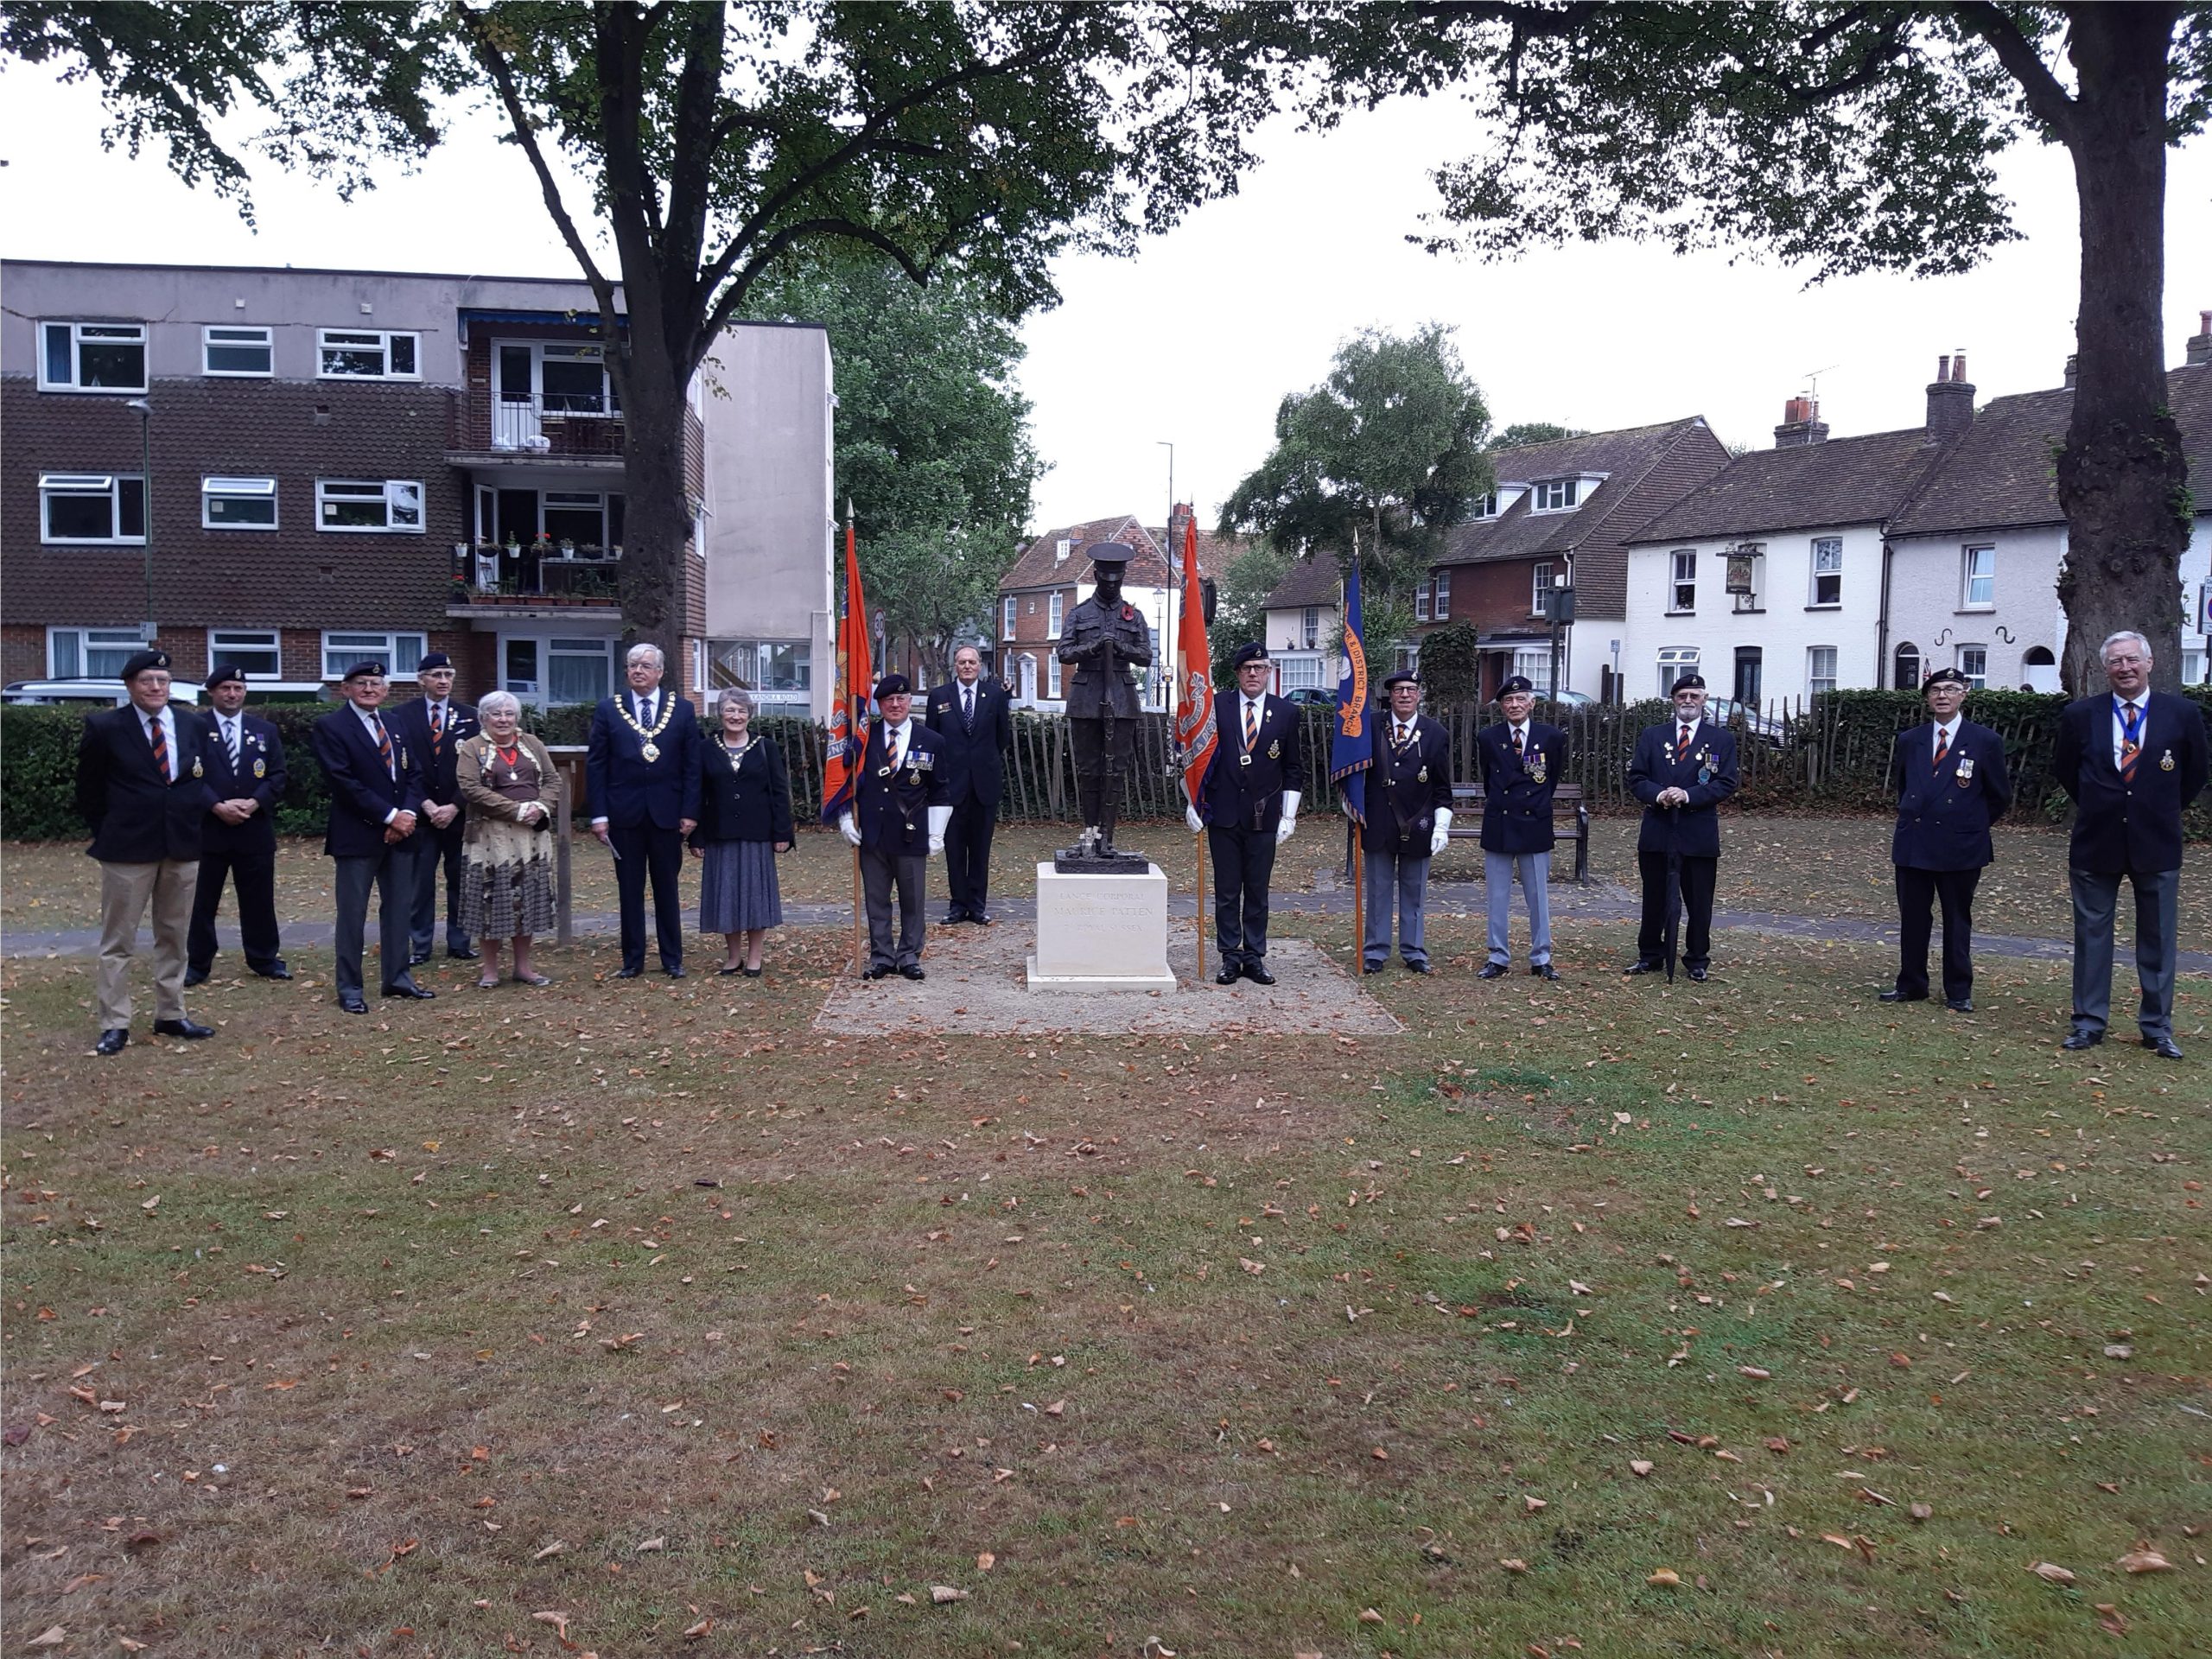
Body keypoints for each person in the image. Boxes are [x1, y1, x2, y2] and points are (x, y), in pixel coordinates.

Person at [2051, 630, 2209, 1058]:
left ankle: (2157, 1027)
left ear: (2150, 663)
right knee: (2092, 936)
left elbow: (2194, 774)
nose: (2125, 668)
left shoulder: (2182, 713)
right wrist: (2103, 805)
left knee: (2158, 938)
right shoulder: (2081, 715)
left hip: (2156, 842)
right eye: (2116, 662)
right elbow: (2067, 770)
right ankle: (2088, 1022)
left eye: (2132, 660)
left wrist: (2155, 809)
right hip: (2096, 842)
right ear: (2106, 669)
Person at [74, 647, 216, 1055]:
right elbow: (88, 791)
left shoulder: (192, 725)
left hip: (181, 846)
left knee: (174, 935)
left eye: (163, 681)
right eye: (147, 680)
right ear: (130, 685)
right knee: (118, 941)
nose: (156, 687)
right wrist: (110, 831)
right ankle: (115, 1022)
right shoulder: (105, 728)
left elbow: (193, 782)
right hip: (127, 850)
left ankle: (171, 1013)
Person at [1882, 666, 2014, 1013]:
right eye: (1936, 689)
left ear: (1964, 694)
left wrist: (1969, 825)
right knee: (1913, 917)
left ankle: (1958, 989)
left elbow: (1999, 795)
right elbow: (1905, 786)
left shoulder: (1985, 741)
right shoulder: (1911, 740)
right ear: (1927, 697)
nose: (1943, 695)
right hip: (1915, 843)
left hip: (1961, 846)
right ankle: (1911, 984)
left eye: (1951, 689)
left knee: (1957, 918)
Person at [310, 661, 429, 1013]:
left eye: (376, 683)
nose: (369, 689)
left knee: (398, 911)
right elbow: (343, 781)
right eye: (360, 683)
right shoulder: (330, 727)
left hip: (403, 834)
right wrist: (389, 816)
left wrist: (407, 814)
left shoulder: (394, 723)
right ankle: (350, 988)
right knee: (352, 914)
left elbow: (415, 775)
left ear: (386, 690)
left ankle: (398, 978)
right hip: (357, 834)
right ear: (345, 689)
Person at [1188, 642, 1303, 986]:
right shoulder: (1215, 706)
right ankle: (1229, 956)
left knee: (1257, 890)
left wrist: (1289, 815)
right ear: (1237, 673)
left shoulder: (1285, 712)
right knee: (1226, 891)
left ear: (1269, 672)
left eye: (1260, 668)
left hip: (1264, 816)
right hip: (1222, 813)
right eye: (1247, 669)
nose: (1254, 674)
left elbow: (1293, 767)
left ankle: (1254, 956)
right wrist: (1193, 802)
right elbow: (1197, 757)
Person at [587, 643, 701, 978]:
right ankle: (632, 960)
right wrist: (599, 815)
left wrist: (690, 810)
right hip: (624, 814)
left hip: (667, 813)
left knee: (667, 887)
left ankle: (672, 959)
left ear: (660, 672)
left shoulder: (681, 710)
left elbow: (691, 765)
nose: (638, 670)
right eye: (632, 665)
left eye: (645, 665)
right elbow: (597, 766)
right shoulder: (610, 709)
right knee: (629, 889)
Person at [1625, 672, 1738, 981]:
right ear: (1673, 700)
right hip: (1658, 829)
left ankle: (1697, 959)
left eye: (1694, 695)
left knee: (1699, 900)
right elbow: (1636, 777)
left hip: (1697, 830)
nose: (1688, 701)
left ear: (1704, 699)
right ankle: (1650, 955)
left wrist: (1688, 795)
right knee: (1655, 897)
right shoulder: (1653, 735)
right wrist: (1659, 794)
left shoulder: (1721, 740)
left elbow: (1726, 782)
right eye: (1682, 696)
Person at [837, 673, 950, 981]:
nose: (896, 705)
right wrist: (845, 816)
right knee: (876, 899)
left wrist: (937, 833)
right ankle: (882, 956)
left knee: (913, 900)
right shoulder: (864, 740)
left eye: (901, 699)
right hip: (871, 833)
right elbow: (847, 784)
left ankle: (910, 955)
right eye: (889, 700)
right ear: (879, 704)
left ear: (910, 701)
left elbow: (940, 790)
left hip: (911, 833)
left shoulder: (932, 741)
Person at [185, 662, 290, 985]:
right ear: (212, 692)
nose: (232, 694)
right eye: (225, 689)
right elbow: (186, 776)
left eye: (238, 689)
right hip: (208, 830)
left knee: (258, 899)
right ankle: (197, 963)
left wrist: (255, 801)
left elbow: (278, 775)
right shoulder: (194, 729)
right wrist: (215, 805)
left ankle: (263, 958)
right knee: (202, 901)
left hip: (253, 828)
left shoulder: (264, 730)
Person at [454, 690, 560, 988]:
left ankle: (523, 968)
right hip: (491, 837)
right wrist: (515, 810)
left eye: (508, 714)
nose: (503, 719)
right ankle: (490, 970)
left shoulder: (532, 744)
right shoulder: (472, 748)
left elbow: (553, 780)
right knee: (491, 898)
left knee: (526, 898)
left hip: (530, 836)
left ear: (517, 717)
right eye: (496, 714)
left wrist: (540, 806)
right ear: (483, 718)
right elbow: (470, 788)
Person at [1056, 543, 1154, 856]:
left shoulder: (1134, 616)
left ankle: (1107, 839)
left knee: (1116, 770)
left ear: (1123, 578)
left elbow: (1146, 656)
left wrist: (1121, 649)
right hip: (1086, 697)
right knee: (1088, 770)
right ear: (1097, 576)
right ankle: (1089, 834)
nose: (1111, 585)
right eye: (1106, 579)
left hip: (1122, 697)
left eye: (1117, 580)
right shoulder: (1079, 613)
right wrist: (1095, 646)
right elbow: (1064, 652)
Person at [690, 688, 793, 976]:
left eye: (741, 711)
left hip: (757, 834)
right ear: (720, 714)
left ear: (750, 715)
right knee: (726, 896)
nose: (736, 716)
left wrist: (782, 833)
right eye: (730, 710)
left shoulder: (765, 747)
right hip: (719, 834)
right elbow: (698, 794)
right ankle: (734, 956)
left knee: (754, 896)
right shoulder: (706, 748)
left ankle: (755, 957)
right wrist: (696, 836)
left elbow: (779, 793)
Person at [1360, 669, 1454, 975]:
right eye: (1398, 690)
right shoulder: (1370, 726)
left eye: (1410, 690)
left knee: (1414, 890)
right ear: (1390, 695)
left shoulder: (1436, 733)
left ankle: (1414, 951)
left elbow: (1442, 787)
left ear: (1419, 695)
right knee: (1378, 889)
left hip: (1418, 822)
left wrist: (1441, 826)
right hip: (1377, 821)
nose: (1404, 695)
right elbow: (1353, 770)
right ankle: (1375, 951)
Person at [388, 652, 479, 965]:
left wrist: (455, 805)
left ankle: (460, 941)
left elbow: (480, 767)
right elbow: (400, 768)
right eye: (436, 675)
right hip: (420, 815)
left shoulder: (471, 715)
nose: (443, 681)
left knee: (462, 881)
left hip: (459, 813)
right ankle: (420, 944)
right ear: (421, 679)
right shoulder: (400, 715)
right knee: (420, 883)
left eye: (448, 675)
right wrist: (425, 804)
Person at [1476, 674, 1567, 982]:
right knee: (1497, 897)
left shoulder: (1551, 737)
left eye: (1520, 699)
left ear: (1532, 703)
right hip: (1499, 823)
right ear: (1501, 706)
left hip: (1535, 824)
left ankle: (1541, 958)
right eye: (1508, 701)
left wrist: (1536, 805)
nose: (1514, 705)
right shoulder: (1488, 738)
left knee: (1538, 897)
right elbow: (1489, 781)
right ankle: (1497, 957)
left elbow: (1550, 779)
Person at [924, 644, 1014, 923]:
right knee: (954, 848)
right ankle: (957, 905)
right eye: (962, 662)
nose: (967, 666)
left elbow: (1002, 739)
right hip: (951, 787)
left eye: (972, 662)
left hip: (984, 786)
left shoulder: (995, 696)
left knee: (980, 848)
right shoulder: (939, 696)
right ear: (955, 665)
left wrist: (982, 763)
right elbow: (931, 740)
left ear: (979, 666)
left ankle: (977, 906)